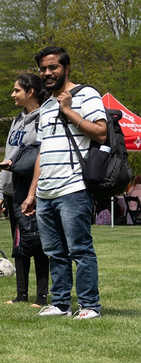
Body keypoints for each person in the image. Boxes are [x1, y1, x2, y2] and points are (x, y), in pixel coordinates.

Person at [23, 46, 106, 319]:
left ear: (66, 68)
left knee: (80, 249)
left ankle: (89, 305)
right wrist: (32, 193)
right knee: (54, 252)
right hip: (46, 191)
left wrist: (69, 110)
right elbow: (42, 152)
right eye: (43, 69)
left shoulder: (86, 95)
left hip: (73, 188)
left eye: (53, 68)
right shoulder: (45, 106)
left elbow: (101, 133)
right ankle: (60, 304)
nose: (47, 73)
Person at [0, 73, 49, 306]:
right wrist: (0, 192)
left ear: (30, 92)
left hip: (32, 192)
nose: (12, 94)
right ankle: (21, 295)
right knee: (19, 245)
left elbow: (41, 157)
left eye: (17, 90)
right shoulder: (16, 120)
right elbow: (8, 157)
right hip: (13, 192)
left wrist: (33, 193)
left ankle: (41, 297)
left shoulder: (44, 117)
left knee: (38, 243)